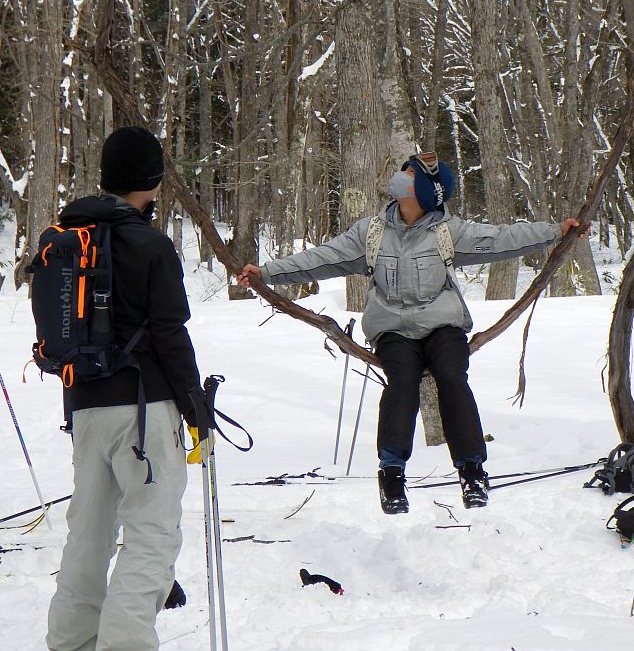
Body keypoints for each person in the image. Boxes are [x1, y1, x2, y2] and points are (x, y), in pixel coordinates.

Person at [238, 152, 583, 514]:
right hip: (392, 328)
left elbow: (502, 239)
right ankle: (392, 475)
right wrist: (268, 272)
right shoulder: (370, 232)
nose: (398, 179)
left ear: (422, 190)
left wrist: (555, 232)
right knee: (402, 380)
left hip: (441, 324)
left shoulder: (449, 233)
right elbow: (322, 258)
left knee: (452, 375)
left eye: (407, 174)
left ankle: (471, 471)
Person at [46, 126, 204, 651]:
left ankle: (70, 641)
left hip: (85, 407)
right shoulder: (151, 245)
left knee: (87, 533)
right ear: (153, 183)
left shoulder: (70, 240)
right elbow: (169, 332)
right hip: (144, 410)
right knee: (151, 534)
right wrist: (195, 405)